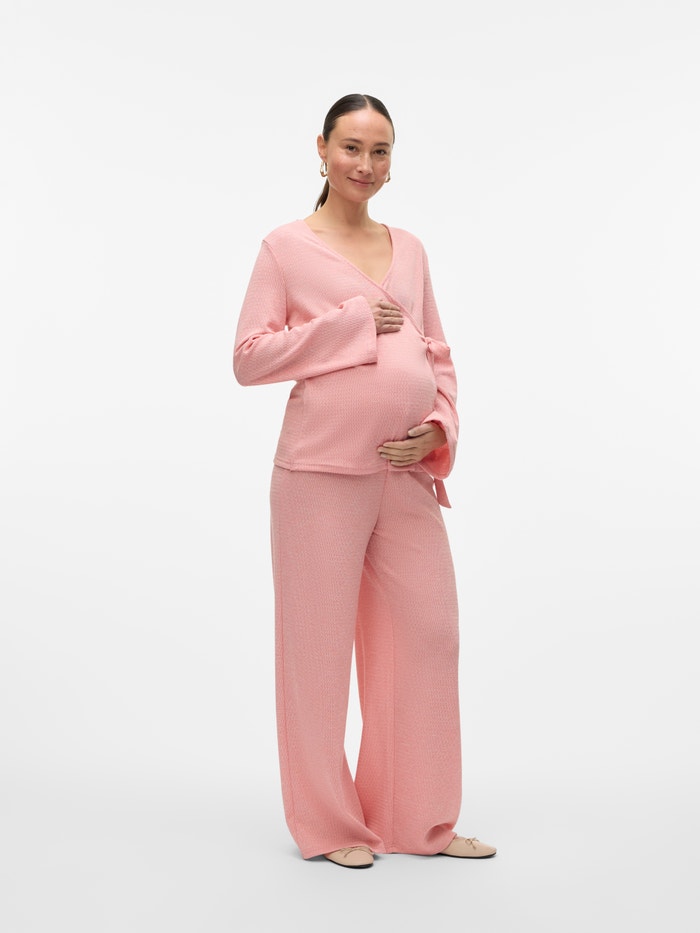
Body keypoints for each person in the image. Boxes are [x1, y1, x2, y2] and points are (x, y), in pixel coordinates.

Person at [233, 93, 496, 869]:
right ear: (321, 149)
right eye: (351, 147)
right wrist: (347, 324)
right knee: (317, 653)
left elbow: (437, 351)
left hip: (404, 476)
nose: (365, 164)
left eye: (380, 151)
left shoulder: (409, 248)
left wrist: (440, 425)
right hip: (319, 473)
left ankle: (418, 820)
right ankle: (330, 824)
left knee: (429, 635)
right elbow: (248, 357)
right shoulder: (285, 248)